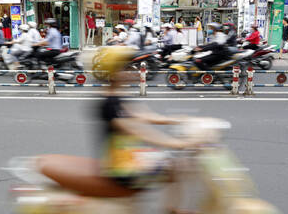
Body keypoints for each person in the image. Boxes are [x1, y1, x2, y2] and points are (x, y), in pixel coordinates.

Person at [34, 47, 200, 206]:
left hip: (128, 156)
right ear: (114, 74)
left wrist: (179, 120)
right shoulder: (109, 103)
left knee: (172, 165)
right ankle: (172, 210)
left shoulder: (119, 96)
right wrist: (179, 144)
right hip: (120, 167)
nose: (132, 71)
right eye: (126, 68)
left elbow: (147, 116)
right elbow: (137, 130)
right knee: (175, 168)